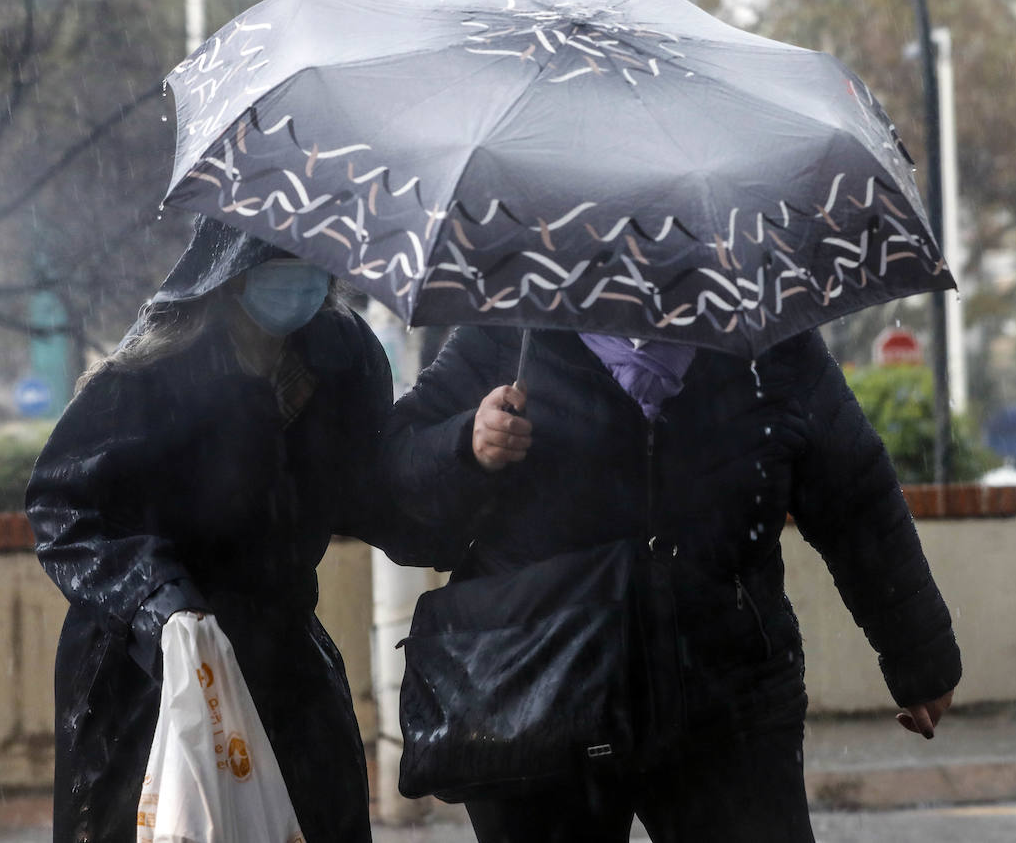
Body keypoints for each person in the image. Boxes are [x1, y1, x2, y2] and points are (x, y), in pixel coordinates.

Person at [381, 325, 961, 843]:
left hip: (727, 696)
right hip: (536, 692)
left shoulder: (772, 342)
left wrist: (919, 655)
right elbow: (396, 500)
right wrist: (467, 444)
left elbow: (855, 495)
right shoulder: (507, 334)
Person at [25, 217, 394, 843]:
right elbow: (65, 506)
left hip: (285, 655)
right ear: (232, 270)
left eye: (311, 261)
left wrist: (469, 454)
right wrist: (160, 601)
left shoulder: (345, 358)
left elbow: (374, 491)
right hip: (149, 670)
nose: (298, 281)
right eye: (275, 264)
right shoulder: (158, 362)